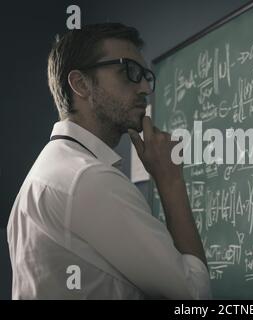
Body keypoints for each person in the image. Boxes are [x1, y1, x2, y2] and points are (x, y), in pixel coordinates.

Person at [7, 23, 211, 299]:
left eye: (144, 76)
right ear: (81, 84)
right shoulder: (89, 178)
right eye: (129, 72)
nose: (144, 89)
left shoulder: (49, 170)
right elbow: (193, 295)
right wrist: (170, 179)